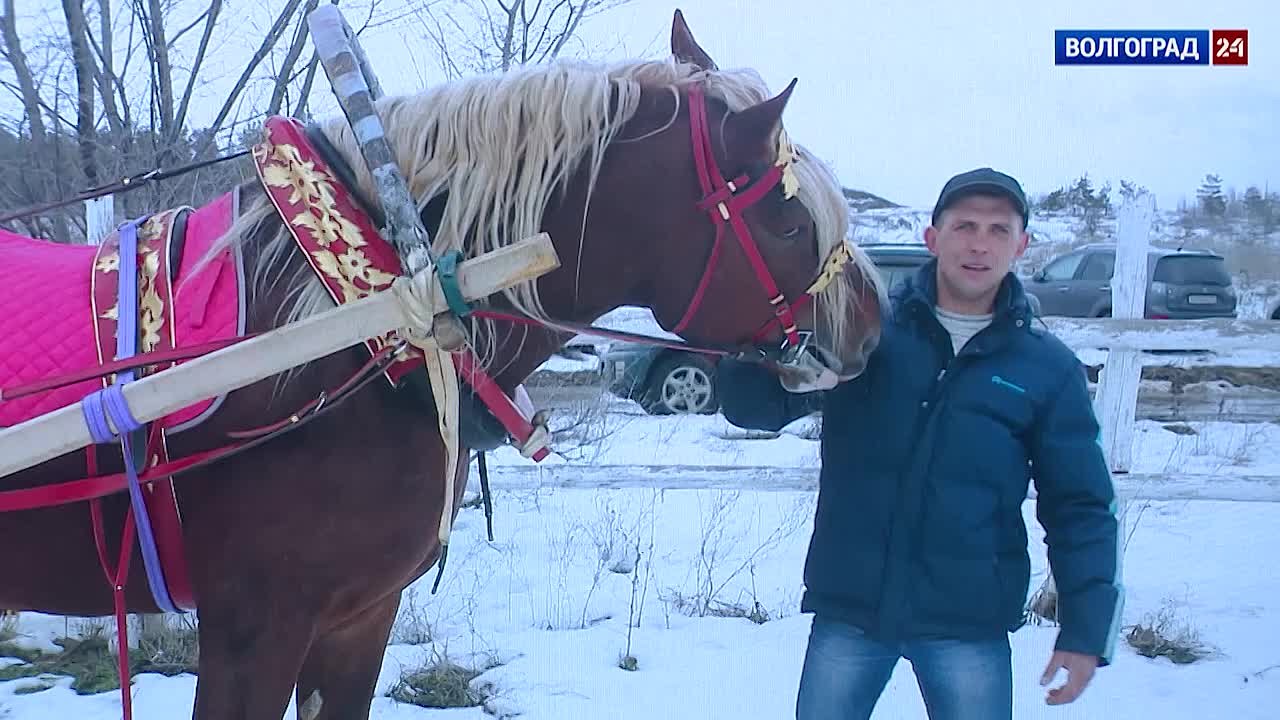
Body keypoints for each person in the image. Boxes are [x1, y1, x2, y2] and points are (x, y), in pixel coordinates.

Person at [717, 168, 1122, 720]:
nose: (979, 244)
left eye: (998, 231)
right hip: (852, 609)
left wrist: (1085, 629)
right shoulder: (864, 332)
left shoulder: (1046, 369)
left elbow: (1080, 506)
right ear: (932, 238)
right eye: (964, 226)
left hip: (968, 620)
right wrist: (750, 347)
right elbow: (755, 409)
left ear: (1021, 246)